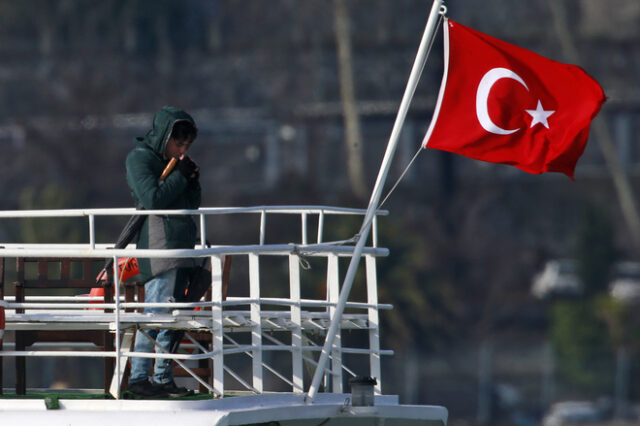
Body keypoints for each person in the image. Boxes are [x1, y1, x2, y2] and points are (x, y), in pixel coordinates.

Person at [125, 106, 201, 397]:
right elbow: (153, 199)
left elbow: (193, 204)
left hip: (182, 244)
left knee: (174, 316)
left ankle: (162, 378)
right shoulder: (139, 158)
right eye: (178, 144)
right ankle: (139, 379)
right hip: (159, 245)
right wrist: (181, 177)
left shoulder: (173, 162)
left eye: (186, 146)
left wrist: (191, 180)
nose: (181, 151)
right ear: (164, 136)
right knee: (156, 312)